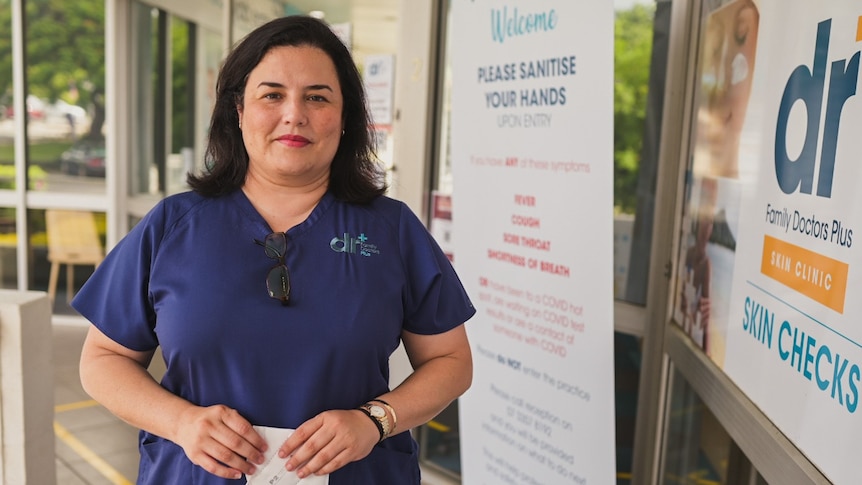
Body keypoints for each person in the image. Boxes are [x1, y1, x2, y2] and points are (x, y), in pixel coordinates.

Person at [74, 15, 475, 484]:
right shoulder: (173, 225)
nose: (294, 115)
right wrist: (180, 422)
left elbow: (451, 362)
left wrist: (376, 420)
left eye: (317, 97)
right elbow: (102, 361)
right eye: (272, 95)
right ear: (239, 111)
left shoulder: (392, 230)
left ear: (344, 118)